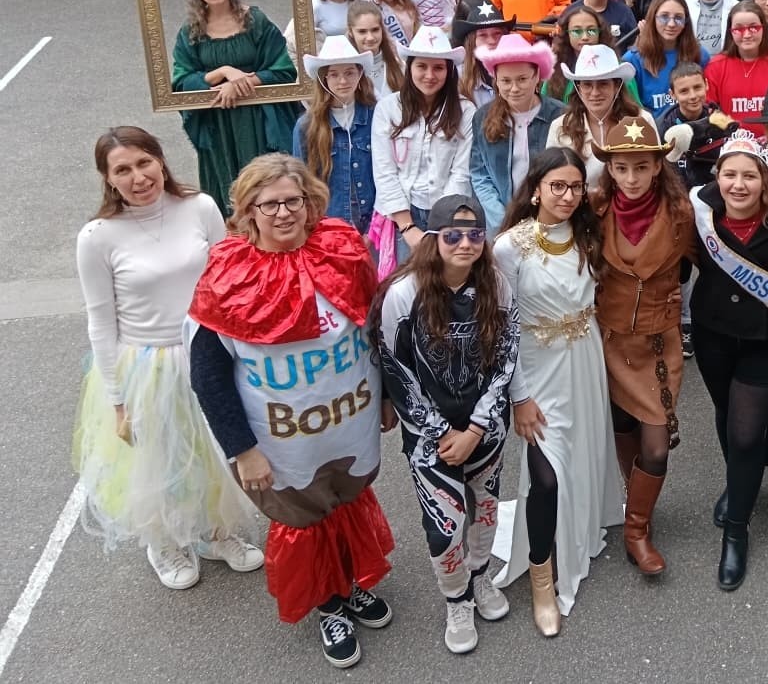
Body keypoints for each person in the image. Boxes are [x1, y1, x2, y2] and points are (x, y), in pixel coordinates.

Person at [186, 155, 393, 669]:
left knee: (345, 501)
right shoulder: (228, 276)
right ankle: (328, 604)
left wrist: (388, 396)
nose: (283, 213)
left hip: (349, 423)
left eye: (293, 201)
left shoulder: (343, 251)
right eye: (269, 204)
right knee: (303, 516)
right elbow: (208, 374)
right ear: (248, 211)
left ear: (310, 202)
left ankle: (348, 582)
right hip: (281, 440)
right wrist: (243, 450)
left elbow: (376, 329)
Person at [74, 127, 262, 590]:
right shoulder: (97, 237)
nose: (138, 177)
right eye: (123, 170)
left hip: (208, 354)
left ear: (160, 160)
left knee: (214, 450)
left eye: (144, 162)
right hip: (147, 366)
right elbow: (101, 323)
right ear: (107, 178)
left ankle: (215, 533)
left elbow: (228, 282)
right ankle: (163, 542)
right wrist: (118, 400)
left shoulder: (200, 207)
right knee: (159, 459)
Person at [372, 194, 519, 654]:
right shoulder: (403, 294)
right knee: (446, 522)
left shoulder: (496, 284)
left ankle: (480, 577)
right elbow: (396, 371)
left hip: (485, 426)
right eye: (452, 235)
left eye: (475, 235)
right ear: (432, 239)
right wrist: (440, 432)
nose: (465, 244)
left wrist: (475, 429)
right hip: (428, 435)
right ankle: (456, 599)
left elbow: (507, 358)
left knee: (486, 508)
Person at [491, 148, 621, 630]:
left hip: (584, 361)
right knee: (545, 476)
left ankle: (579, 525)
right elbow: (502, 329)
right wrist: (519, 398)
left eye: (575, 187)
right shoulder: (509, 247)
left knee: (580, 454)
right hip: (536, 369)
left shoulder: (589, 234)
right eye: (557, 186)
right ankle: (542, 579)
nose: (567, 196)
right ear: (536, 190)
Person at [688, 131, 768, 590]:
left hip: (765, 336)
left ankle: (737, 531)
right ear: (717, 177)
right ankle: (738, 486)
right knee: (724, 412)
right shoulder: (698, 210)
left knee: (747, 431)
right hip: (714, 331)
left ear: (765, 180)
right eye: (729, 174)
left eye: (749, 176)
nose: (738, 185)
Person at [593, 117, 697, 574]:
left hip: (657, 343)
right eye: (622, 168)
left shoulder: (682, 214)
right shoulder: (593, 209)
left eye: (641, 167)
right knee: (622, 426)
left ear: (658, 166)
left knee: (656, 445)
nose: (631, 178)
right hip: (607, 339)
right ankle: (635, 506)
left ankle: (636, 530)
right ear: (610, 169)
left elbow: (711, 257)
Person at [171, 0, 301, 216]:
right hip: (219, 125)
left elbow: (283, 69)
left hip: (260, 120)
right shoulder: (190, 32)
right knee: (230, 192)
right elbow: (181, 82)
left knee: (267, 188)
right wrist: (223, 73)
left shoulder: (256, 21)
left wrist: (241, 83)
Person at [371, 27, 475, 262]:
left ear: (449, 71)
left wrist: (441, 225)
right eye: (421, 66)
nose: (429, 75)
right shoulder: (388, 108)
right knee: (404, 279)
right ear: (410, 68)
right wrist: (407, 227)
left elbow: (461, 173)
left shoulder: (466, 111)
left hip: (448, 214)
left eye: (438, 68)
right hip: (401, 214)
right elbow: (384, 171)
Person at [469, 33, 564, 234]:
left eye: (522, 79)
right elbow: (480, 174)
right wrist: (501, 221)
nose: (514, 88)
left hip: (549, 222)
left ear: (536, 77)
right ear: (496, 80)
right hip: (500, 223)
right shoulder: (482, 117)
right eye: (506, 81)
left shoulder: (559, 115)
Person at [293, 36, 377, 234]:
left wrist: (374, 229)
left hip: (374, 222)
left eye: (349, 73)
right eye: (334, 74)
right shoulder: (307, 126)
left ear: (360, 74)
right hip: (330, 225)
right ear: (324, 79)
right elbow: (302, 181)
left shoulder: (375, 115)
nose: (343, 81)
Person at [546, 44, 650, 187]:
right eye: (587, 85)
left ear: (616, 86)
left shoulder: (642, 120)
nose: (595, 93)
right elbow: (552, 181)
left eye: (603, 84)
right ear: (578, 88)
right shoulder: (560, 127)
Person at [704, 1, 768, 137]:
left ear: (763, 28)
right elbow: (708, 111)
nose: (747, 34)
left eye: (753, 27)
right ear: (730, 32)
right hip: (730, 142)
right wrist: (734, 132)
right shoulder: (716, 66)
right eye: (739, 29)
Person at [623, 0, 711, 115]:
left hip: (693, 125)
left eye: (678, 18)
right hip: (651, 126)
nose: (671, 24)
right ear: (653, 18)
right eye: (664, 17)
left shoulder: (700, 55)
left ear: (686, 21)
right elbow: (630, 109)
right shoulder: (632, 60)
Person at [657, 60, 735, 191]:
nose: (693, 96)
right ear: (672, 94)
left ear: (706, 85)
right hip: (676, 195)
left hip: (713, 194)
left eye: (697, 87)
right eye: (684, 91)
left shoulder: (721, 123)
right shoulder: (662, 127)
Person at [453, 0, 513, 108]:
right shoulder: (457, 77)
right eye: (483, 35)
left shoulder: (516, 70)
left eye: (497, 33)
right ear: (471, 42)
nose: (492, 41)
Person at [348, 0, 405, 96]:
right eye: (362, 31)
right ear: (351, 32)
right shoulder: (345, 71)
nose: (370, 37)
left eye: (375, 30)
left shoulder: (400, 65)